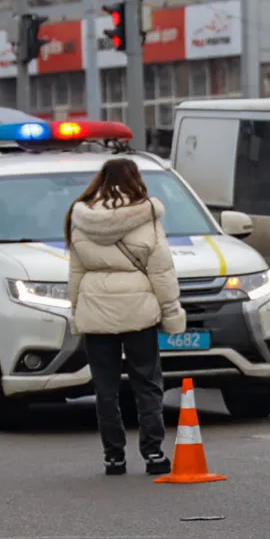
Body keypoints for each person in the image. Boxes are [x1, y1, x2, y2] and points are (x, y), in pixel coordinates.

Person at [65, 158, 186, 476]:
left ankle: (114, 457)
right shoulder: (147, 218)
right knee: (147, 383)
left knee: (105, 389)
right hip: (139, 312)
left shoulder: (82, 219)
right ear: (135, 178)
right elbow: (161, 272)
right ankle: (154, 453)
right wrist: (172, 312)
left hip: (96, 311)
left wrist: (77, 311)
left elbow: (76, 273)